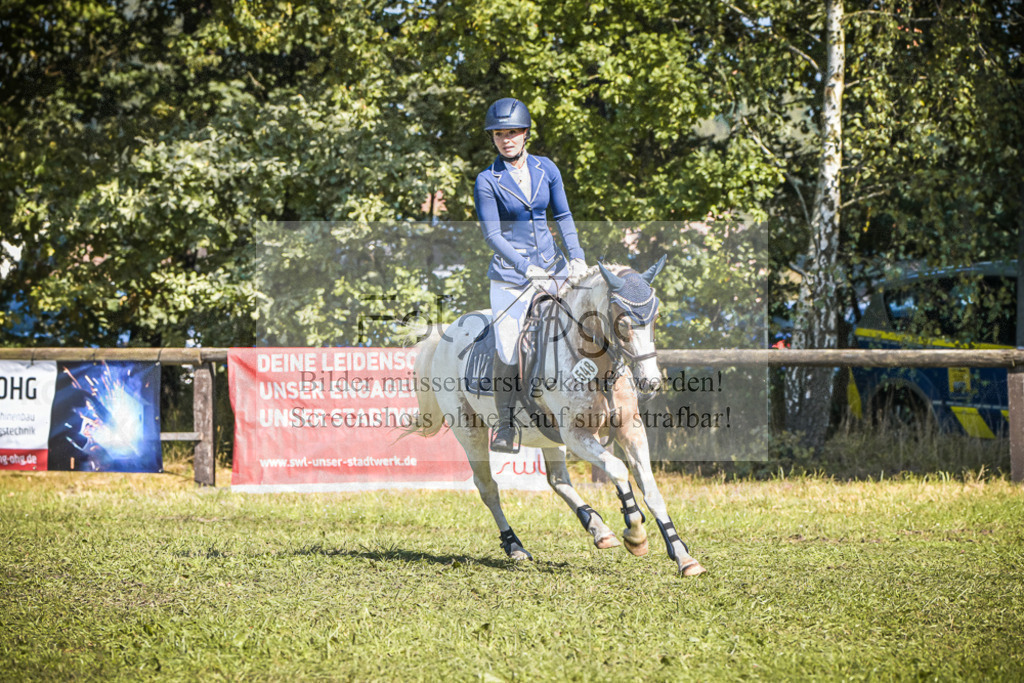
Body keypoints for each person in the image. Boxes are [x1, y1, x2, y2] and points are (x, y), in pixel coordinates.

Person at [473, 97, 588, 453]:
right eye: (499, 134)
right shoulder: (487, 180)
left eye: (512, 132)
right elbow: (492, 235)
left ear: (525, 134)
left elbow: (564, 216)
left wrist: (578, 257)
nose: (506, 139)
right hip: (511, 277)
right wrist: (527, 269)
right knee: (509, 346)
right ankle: (506, 426)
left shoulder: (546, 169)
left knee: (586, 324)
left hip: (554, 268)